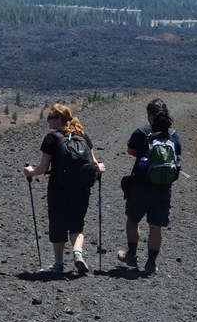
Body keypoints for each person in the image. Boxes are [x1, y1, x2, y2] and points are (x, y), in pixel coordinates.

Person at [23, 103, 105, 276]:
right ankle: (77, 252)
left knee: (58, 224)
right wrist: (100, 167)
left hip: (58, 189)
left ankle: (58, 264)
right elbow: (94, 162)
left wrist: (30, 172)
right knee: (77, 224)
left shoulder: (51, 139)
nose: (47, 122)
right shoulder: (82, 136)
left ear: (59, 119)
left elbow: (43, 168)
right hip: (82, 189)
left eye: (50, 118)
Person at [118, 98, 182, 275]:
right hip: (164, 188)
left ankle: (131, 255)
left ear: (150, 115)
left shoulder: (142, 132)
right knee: (155, 227)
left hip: (141, 185)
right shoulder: (174, 135)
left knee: (133, 219)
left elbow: (131, 151)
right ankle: (151, 264)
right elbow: (177, 155)